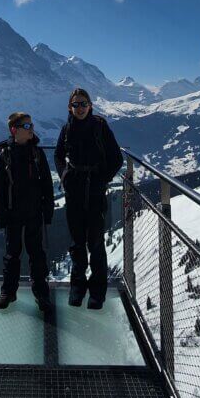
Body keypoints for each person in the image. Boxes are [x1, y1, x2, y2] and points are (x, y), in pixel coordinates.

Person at [54, 87, 123, 309]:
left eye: (84, 104)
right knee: (76, 243)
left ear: (90, 105)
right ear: (70, 107)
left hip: (94, 189)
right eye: (76, 104)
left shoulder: (100, 127)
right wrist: (65, 175)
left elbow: (116, 158)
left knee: (95, 242)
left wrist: (102, 179)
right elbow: (57, 155)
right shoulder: (66, 129)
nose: (80, 108)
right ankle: (77, 289)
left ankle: (97, 293)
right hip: (74, 189)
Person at [0, 111, 55, 312]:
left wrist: (48, 210)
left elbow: (47, 184)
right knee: (12, 253)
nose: (31, 130)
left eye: (31, 126)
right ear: (14, 130)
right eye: (27, 126)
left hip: (34, 212)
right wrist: (0, 215)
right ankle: (8, 292)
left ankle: (41, 293)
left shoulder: (37, 154)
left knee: (37, 253)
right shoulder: (5, 155)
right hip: (12, 214)